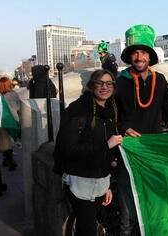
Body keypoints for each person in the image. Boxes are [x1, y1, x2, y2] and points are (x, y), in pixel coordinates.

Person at [115, 24, 168, 235]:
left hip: (154, 147)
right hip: (128, 146)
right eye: (135, 53)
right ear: (130, 57)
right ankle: (126, 230)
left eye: (143, 52)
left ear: (150, 56)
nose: (139, 57)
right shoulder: (119, 82)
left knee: (154, 191)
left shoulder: (161, 80)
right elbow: (112, 114)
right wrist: (123, 128)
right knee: (126, 192)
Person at [53, 69, 121, 236]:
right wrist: (107, 145)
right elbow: (69, 149)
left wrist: (107, 185)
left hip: (100, 181)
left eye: (109, 83)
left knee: (86, 228)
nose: (104, 87)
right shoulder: (77, 110)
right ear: (92, 86)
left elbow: (106, 154)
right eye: (100, 83)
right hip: (80, 181)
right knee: (88, 229)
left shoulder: (110, 110)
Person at [0, 76, 20, 171]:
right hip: (12, 120)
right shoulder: (13, 94)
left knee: (4, 139)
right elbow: (18, 108)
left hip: (0, 121)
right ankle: (9, 159)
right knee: (9, 139)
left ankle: (7, 158)